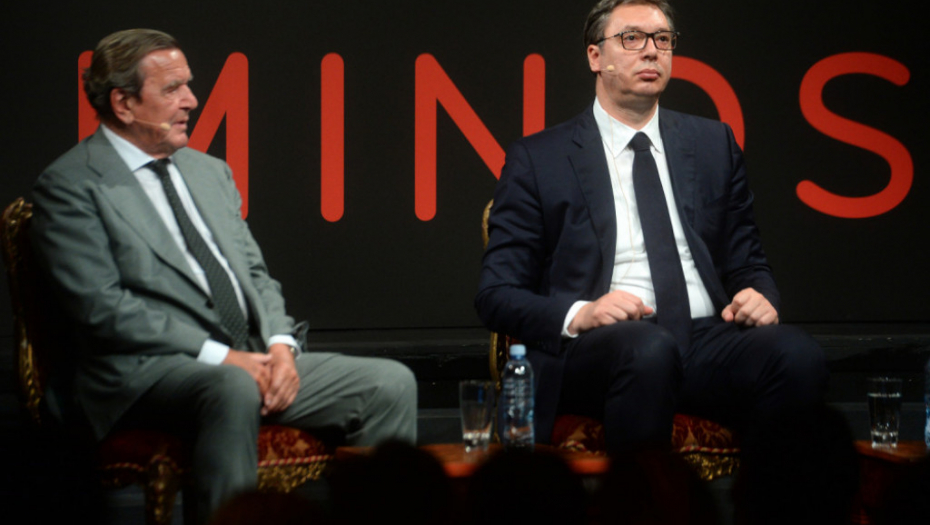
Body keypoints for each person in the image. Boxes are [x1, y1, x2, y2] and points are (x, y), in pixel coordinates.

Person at [30, 29, 417, 523]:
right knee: (230, 387)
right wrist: (224, 358)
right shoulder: (71, 184)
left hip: (249, 354)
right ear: (123, 103)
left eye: (188, 85)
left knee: (389, 383)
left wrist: (280, 346)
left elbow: (254, 273)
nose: (191, 100)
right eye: (172, 89)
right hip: (145, 372)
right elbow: (101, 308)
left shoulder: (208, 171)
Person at [475, 0, 828, 451]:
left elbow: (749, 262)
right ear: (595, 56)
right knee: (649, 350)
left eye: (662, 39)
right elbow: (496, 294)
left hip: (705, 338)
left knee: (798, 355)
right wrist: (582, 313)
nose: (651, 51)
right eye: (631, 38)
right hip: (601, 348)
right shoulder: (539, 158)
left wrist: (761, 296)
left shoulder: (713, 144)